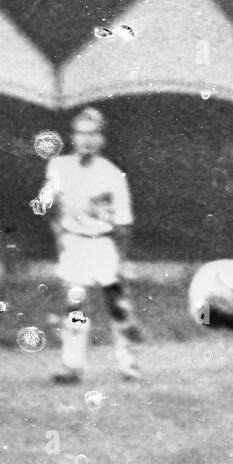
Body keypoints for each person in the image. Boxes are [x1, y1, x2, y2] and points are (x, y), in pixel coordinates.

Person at [40, 107, 143, 383]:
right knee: (75, 306)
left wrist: (122, 261)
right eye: (80, 133)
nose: (86, 140)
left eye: (92, 134)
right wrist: (59, 235)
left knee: (117, 305)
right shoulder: (58, 167)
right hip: (74, 243)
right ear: (73, 137)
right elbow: (46, 204)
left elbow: (123, 223)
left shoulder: (113, 174)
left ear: (101, 140)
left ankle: (129, 364)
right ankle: (72, 366)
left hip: (104, 244)